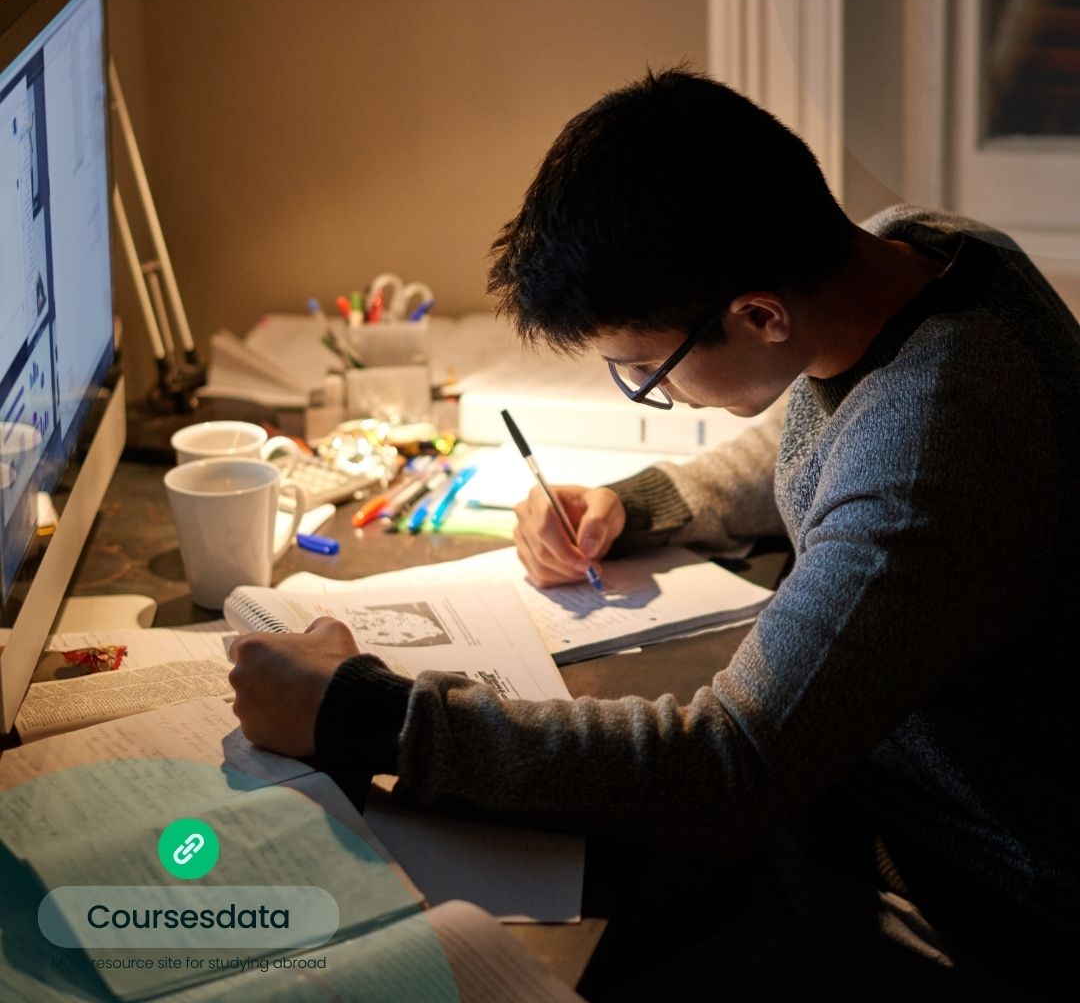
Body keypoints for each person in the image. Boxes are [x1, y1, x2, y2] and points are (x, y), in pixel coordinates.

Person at [229, 69, 1079, 998]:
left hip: (971, 885)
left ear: (759, 314)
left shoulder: (931, 451)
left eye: (644, 370)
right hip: (874, 787)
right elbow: (837, 432)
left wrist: (366, 714)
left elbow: (727, 768)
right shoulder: (915, 252)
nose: (649, 394)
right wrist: (645, 502)